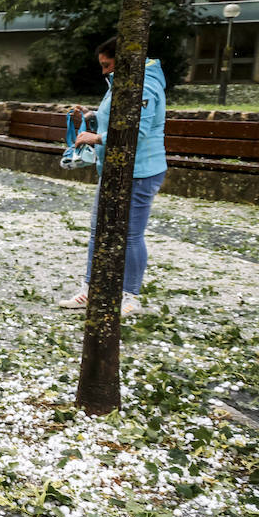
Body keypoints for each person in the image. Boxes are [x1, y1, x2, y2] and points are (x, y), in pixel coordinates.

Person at [58, 37, 167, 317]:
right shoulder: (120, 83)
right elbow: (116, 119)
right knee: (98, 230)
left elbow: (136, 133)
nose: (104, 71)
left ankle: (130, 297)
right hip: (112, 168)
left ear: (123, 59)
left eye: (107, 65)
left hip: (141, 171)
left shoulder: (145, 85)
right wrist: (91, 115)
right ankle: (89, 290)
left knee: (131, 235)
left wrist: (96, 137)